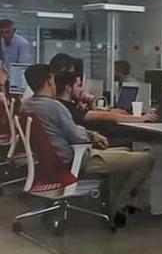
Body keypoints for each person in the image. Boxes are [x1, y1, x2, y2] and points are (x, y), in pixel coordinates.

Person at [21, 64, 155, 225]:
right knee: (147, 157)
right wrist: (93, 136)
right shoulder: (54, 106)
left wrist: (92, 134)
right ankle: (119, 205)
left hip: (52, 161)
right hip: (76, 159)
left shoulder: (26, 105)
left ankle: (113, 203)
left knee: (126, 149)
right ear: (49, 81)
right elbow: (77, 136)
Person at [56, 72, 156, 126]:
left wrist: (89, 103)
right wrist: (141, 119)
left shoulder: (63, 104)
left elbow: (95, 112)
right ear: (68, 88)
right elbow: (106, 116)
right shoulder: (67, 108)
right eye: (79, 86)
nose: (82, 89)